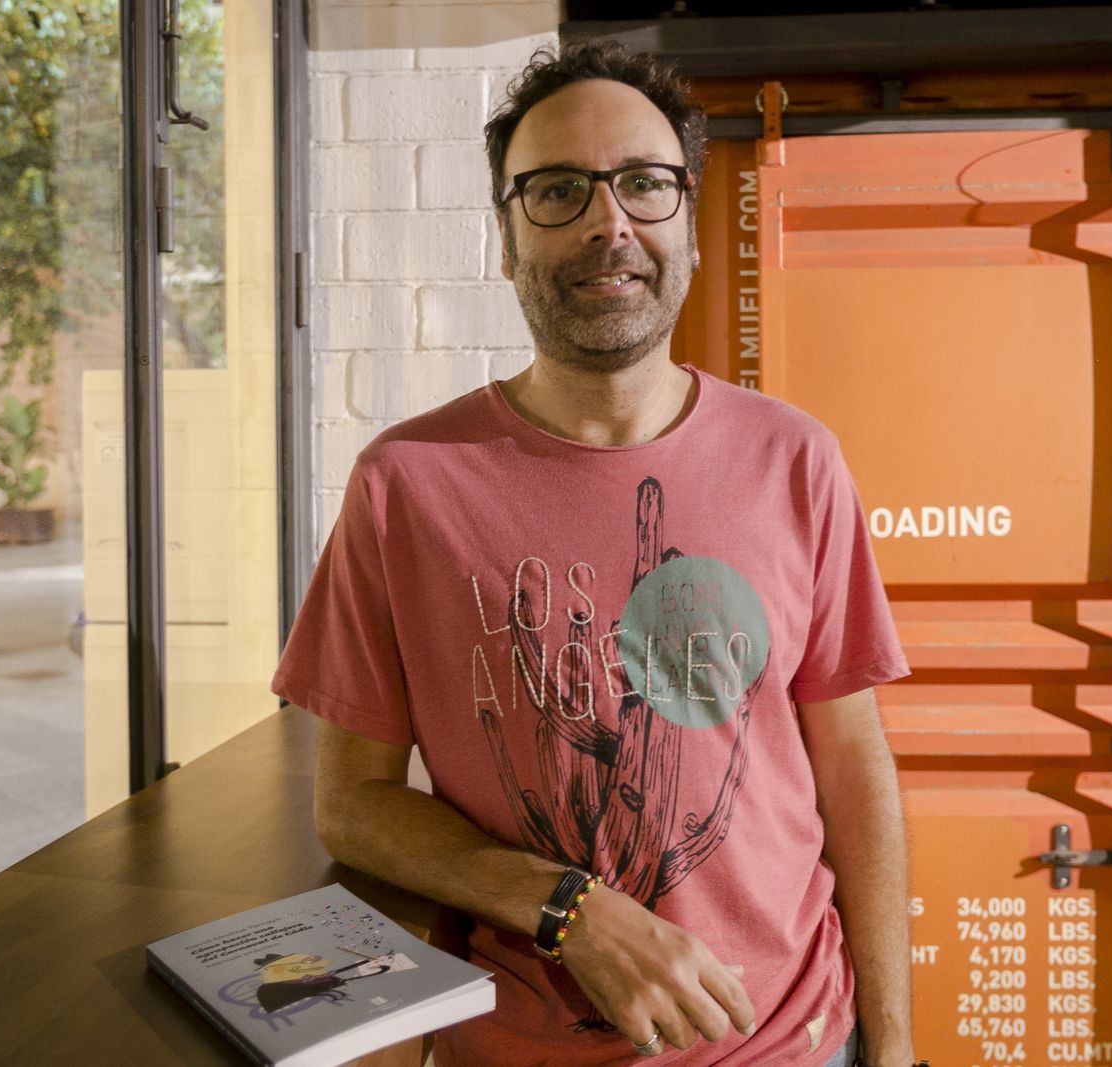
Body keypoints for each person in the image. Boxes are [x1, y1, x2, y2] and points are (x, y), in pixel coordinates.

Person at [273, 41, 921, 1067]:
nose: (606, 222)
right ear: (504, 236)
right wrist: (572, 907)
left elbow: (851, 765)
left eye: (643, 184)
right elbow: (350, 803)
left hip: (796, 1041)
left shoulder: (794, 457)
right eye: (558, 190)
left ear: (689, 225)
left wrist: (893, 1043)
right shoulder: (406, 485)